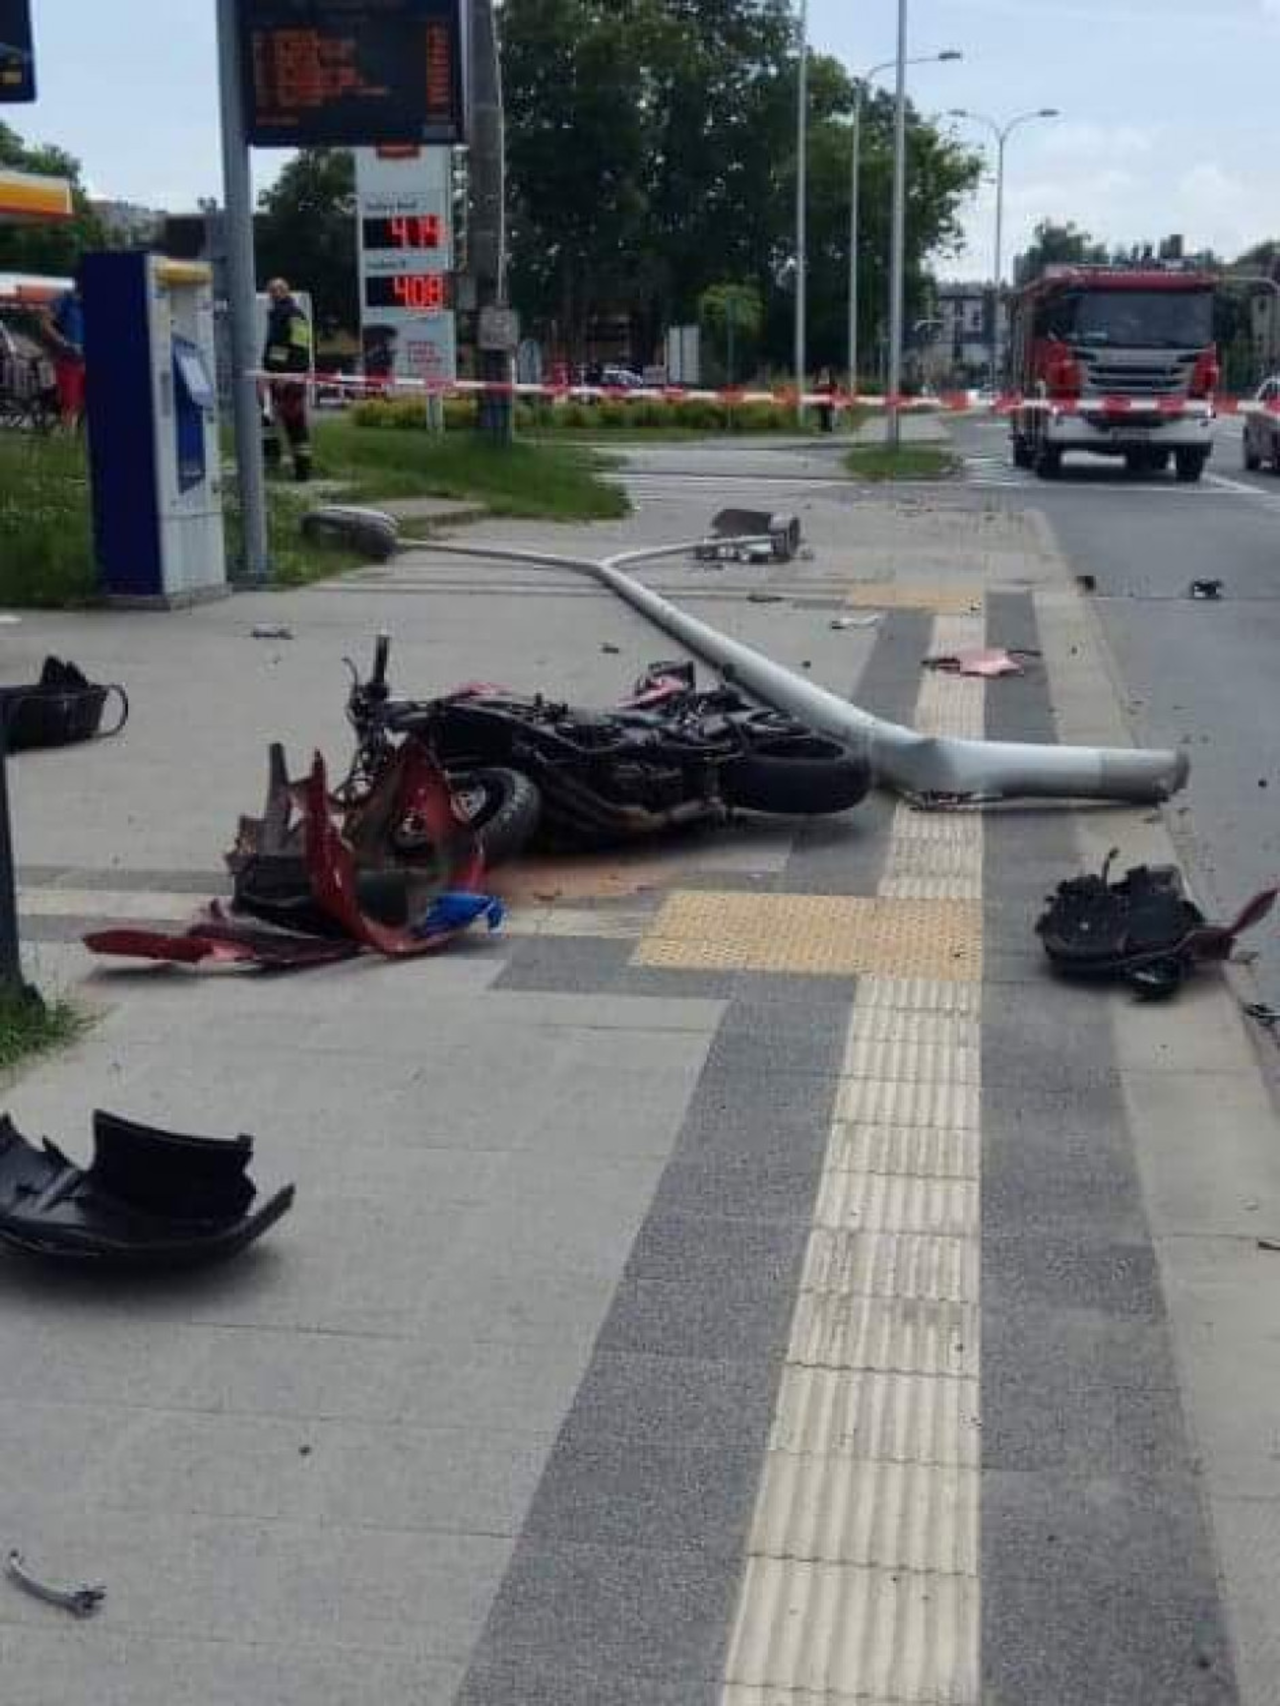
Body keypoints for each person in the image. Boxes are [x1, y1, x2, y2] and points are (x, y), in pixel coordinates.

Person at [261, 277, 313, 481]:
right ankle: (271, 463)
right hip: (275, 377)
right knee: (267, 420)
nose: (274, 294)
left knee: (295, 423)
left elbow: (300, 348)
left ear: (286, 291)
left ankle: (302, 471)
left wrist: (286, 373)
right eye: (271, 291)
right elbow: (276, 349)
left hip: (289, 378)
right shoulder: (276, 314)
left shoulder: (294, 315)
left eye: (278, 290)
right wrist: (269, 372)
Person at [45, 281, 86, 429]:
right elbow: (45, 322)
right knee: (70, 401)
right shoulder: (64, 299)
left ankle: (76, 434)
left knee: (83, 401)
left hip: (87, 359)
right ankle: (67, 435)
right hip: (68, 359)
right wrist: (63, 342)